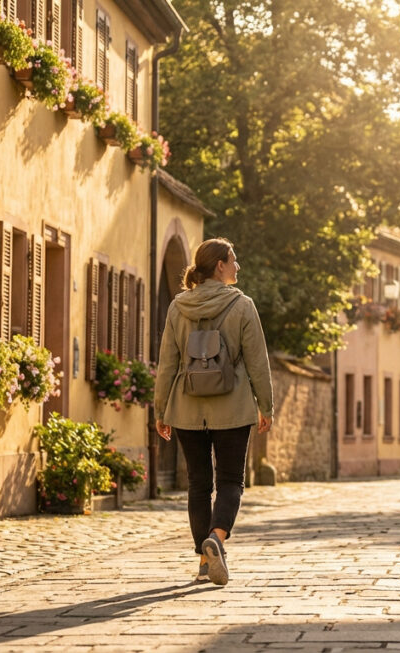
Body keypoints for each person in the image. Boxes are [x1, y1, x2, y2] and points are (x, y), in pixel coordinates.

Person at [153, 238, 273, 586]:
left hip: (187, 406)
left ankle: (205, 562)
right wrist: (266, 405)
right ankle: (216, 540)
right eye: (234, 260)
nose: (238, 266)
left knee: (198, 484)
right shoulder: (242, 305)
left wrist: (160, 410)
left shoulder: (178, 307)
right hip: (232, 406)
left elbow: (167, 364)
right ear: (219, 265)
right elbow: (257, 362)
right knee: (231, 481)